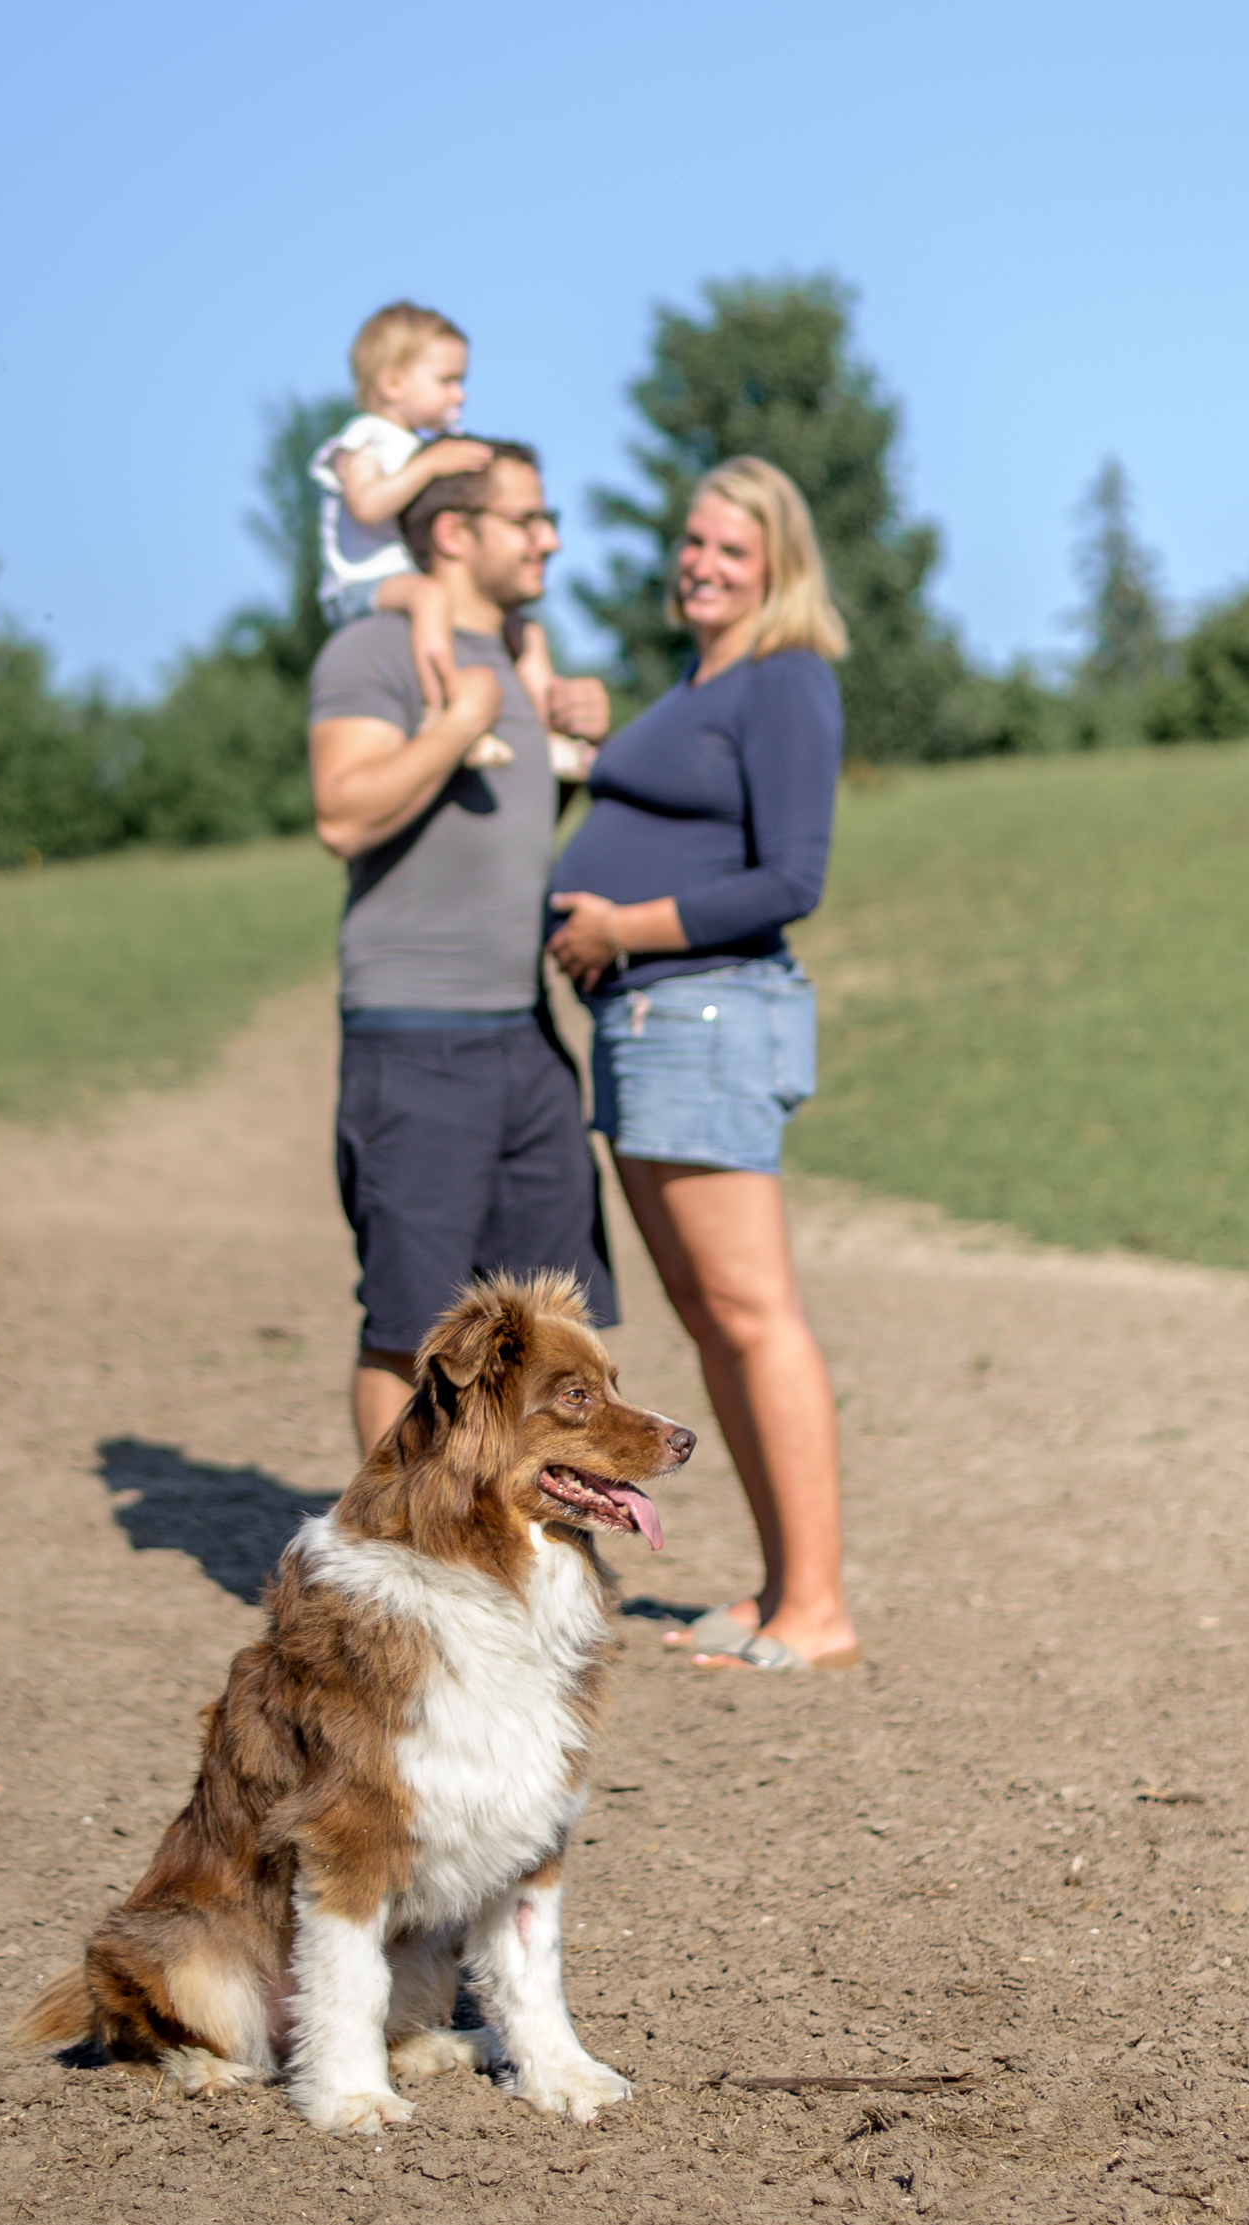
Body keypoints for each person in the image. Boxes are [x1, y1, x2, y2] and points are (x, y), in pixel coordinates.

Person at [546, 457, 858, 1671]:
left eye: (731, 549)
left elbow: (792, 879)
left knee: (752, 1312)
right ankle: (782, 1584)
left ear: (778, 563)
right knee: (707, 1317)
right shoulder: (703, 678)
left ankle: (819, 1607)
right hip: (648, 1022)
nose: (702, 564)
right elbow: (668, 807)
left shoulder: (787, 679)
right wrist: (589, 741)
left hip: (706, 1013)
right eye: (692, 542)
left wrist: (619, 926)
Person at [309, 438, 615, 1453]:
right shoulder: (374, 654)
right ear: (453, 532)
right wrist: (460, 725)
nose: (550, 539)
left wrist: (579, 750)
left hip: (526, 1040)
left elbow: (511, 826)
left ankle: (523, 1584)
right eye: (527, 520)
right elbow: (343, 815)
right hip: (413, 1039)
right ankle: (406, 1585)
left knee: (552, 1338)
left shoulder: (522, 661)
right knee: (416, 1336)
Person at [309, 301, 587, 776]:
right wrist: (429, 467)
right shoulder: (365, 439)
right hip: (358, 585)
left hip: (396, 576)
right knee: (432, 598)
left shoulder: (413, 445)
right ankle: (442, 712)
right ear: (393, 382)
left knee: (525, 628)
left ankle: (548, 738)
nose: (458, 396)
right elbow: (367, 505)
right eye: (446, 381)